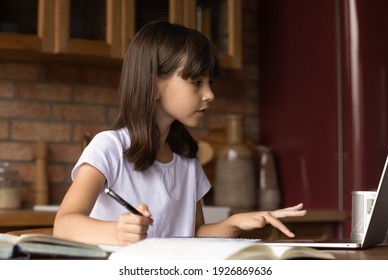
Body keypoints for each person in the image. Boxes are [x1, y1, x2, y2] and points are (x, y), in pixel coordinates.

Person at [53, 20, 306, 246]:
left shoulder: (186, 158)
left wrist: (234, 223)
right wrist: (117, 232)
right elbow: (63, 226)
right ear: (154, 85)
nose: (210, 95)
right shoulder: (109, 147)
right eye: (196, 82)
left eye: (210, 83)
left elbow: (193, 235)